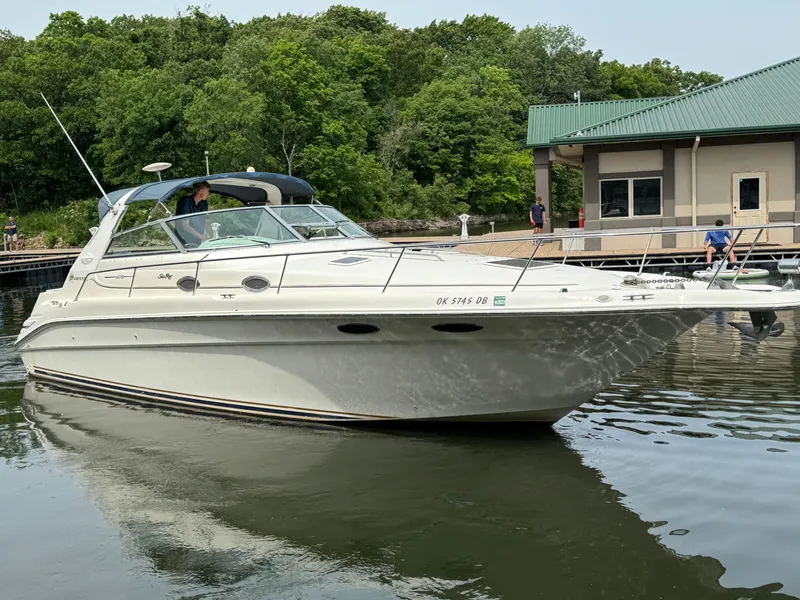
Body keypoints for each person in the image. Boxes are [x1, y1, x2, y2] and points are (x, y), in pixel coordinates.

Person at [174, 181, 210, 247]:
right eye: (207, 191)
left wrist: (205, 233)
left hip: (198, 237)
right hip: (184, 239)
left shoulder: (204, 203)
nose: (208, 193)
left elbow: (203, 221)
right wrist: (202, 237)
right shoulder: (185, 202)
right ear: (200, 191)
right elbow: (186, 226)